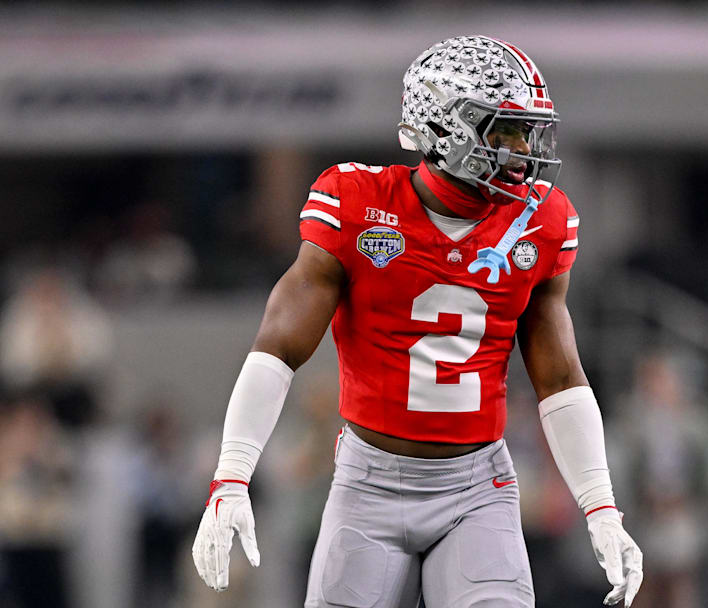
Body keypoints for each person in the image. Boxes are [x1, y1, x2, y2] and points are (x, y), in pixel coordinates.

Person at [190, 35, 643, 608]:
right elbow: (278, 346)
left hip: (479, 484)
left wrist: (600, 505)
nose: (521, 151)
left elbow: (560, 377)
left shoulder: (541, 222)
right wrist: (232, 474)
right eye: (503, 131)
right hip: (368, 484)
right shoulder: (357, 204)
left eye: (526, 133)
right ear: (444, 127)